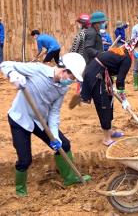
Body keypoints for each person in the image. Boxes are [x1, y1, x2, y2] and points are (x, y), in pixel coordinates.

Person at [0, 53, 91, 197]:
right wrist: (13, 75)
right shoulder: (38, 70)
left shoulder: (62, 88)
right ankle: (20, 190)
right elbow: (5, 64)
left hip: (40, 120)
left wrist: (55, 136)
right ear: (64, 70)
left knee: (63, 145)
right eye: (72, 78)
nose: (71, 82)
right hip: (20, 119)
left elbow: (54, 112)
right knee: (25, 160)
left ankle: (70, 178)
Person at [81, 38, 138, 146]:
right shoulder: (126, 58)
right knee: (104, 104)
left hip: (103, 74)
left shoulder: (124, 51)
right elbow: (120, 80)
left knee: (109, 99)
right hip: (95, 74)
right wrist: (124, 99)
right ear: (133, 46)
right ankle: (106, 138)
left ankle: (110, 130)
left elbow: (114, 72)